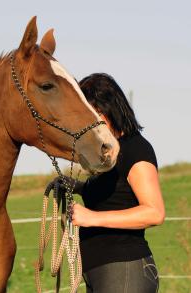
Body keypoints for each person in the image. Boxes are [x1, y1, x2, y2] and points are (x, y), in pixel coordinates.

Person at [68, 73, 165, 292]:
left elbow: (154, 212)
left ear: (110, 108)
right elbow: (115, 197)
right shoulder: (109, 152)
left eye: (95, 114)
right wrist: (77, 187)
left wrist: (91, 218)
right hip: (103, 272)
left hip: (124, 269)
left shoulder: (135, 149)